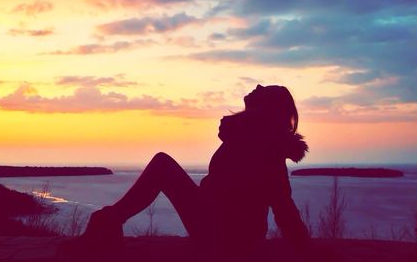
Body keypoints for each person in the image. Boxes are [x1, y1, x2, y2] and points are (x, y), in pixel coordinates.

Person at [61, 84, 310, 258]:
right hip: (222, 228)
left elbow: (282, 204)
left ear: (266, 107)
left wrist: (307, 249)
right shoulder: (247, 138)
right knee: (162, 165)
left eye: (264, 90)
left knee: (162, 165)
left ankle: (107, 225)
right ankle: (108, 223)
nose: (257, 86)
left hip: (226, 238)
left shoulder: (263, 145)